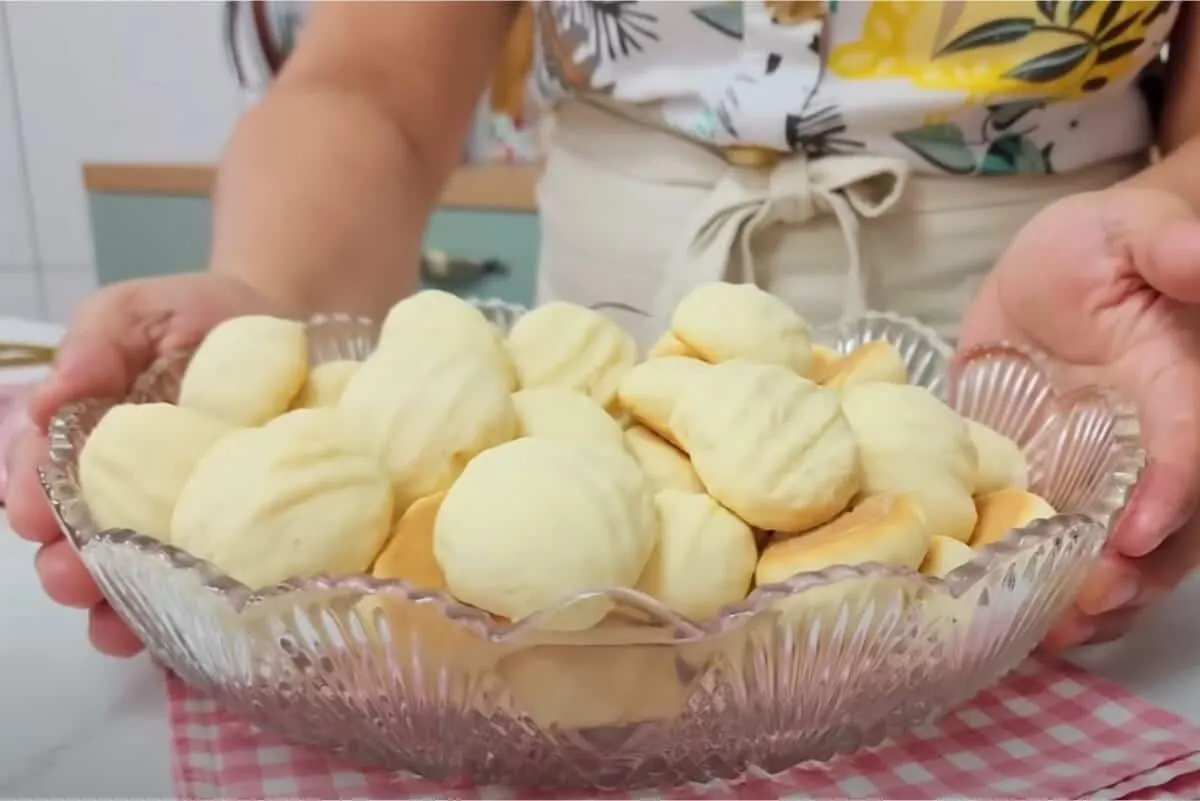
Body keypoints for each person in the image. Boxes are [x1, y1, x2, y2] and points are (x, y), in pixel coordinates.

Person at [8, 0, 1200, 657]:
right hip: (594, 377)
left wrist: (1171, 222)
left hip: (1032, 363)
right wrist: (262, 298)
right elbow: (375, 78)